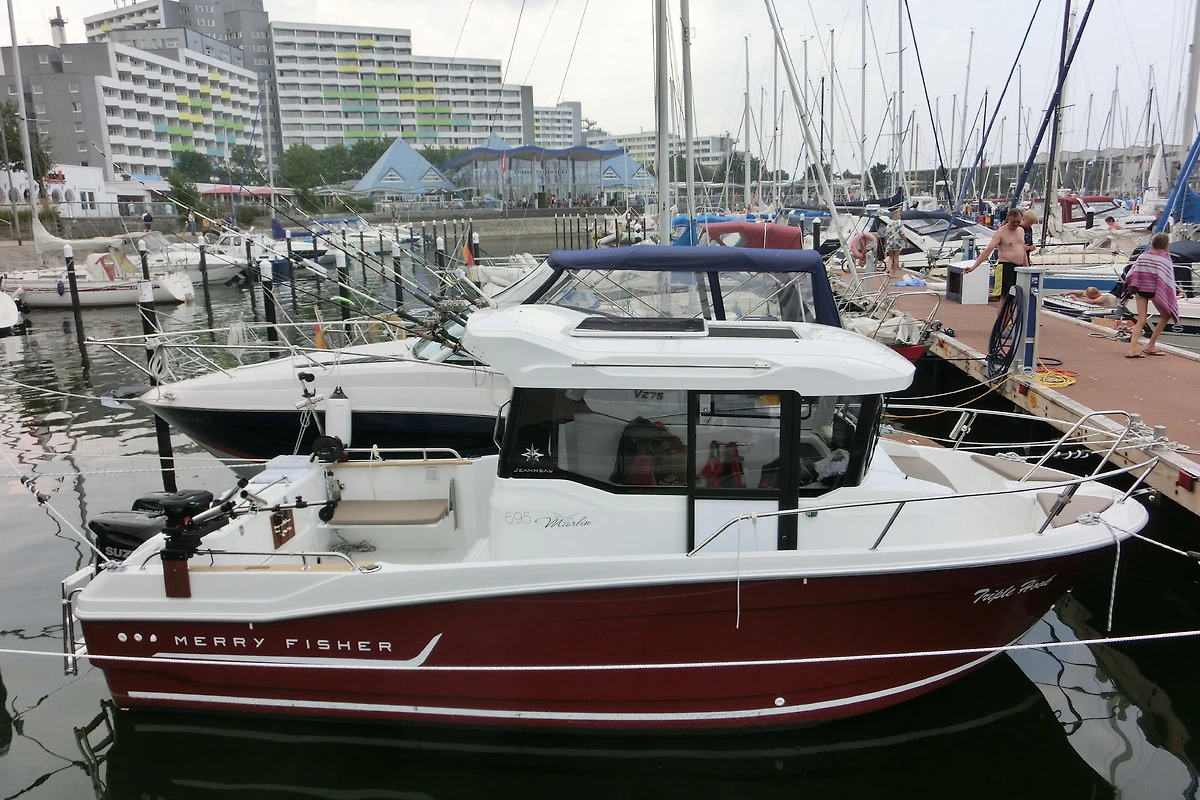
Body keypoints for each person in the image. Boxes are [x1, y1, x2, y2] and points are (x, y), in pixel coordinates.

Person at [1124, 231, 1178, 358]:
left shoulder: (1143, 256)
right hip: (1155, 291)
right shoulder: (1165, 259)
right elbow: (1167, 279)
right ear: (1165, 244)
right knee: (1166, 315)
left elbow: (1133, 272)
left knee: (1141, 320)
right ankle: (1151, 345)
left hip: (1140, 289)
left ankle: (1132, 349)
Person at [965, 208, 1026, 298]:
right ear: (1008, 219)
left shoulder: (1021, 230)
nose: (1016, 224)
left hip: (1019, 267)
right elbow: (988, 250)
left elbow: (1022, 250)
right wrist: (974, 267)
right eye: (1013, 222)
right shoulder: (1001, 232)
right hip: (1006, 266)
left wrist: (1027, 267)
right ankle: (1002, 308)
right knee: (1005, 296)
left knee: (1018, 296)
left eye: (1018, 222)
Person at [883, 207, 904, 279]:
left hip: (890, 242)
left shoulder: (889, 223)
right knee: (896, 257)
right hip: (897, 242)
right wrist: (905, 241)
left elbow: (886, 234)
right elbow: (902, 233)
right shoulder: (900, 223)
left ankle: (888, 269)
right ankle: (894, 273)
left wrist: (885, 243)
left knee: (891, 257)